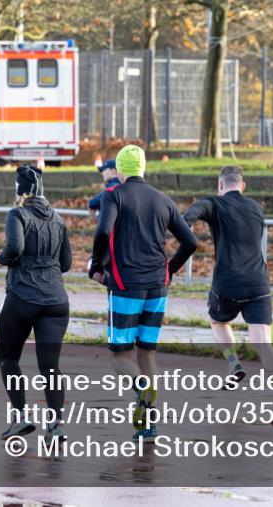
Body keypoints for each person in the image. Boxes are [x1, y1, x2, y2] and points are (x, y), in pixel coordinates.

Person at [89, 144, 198, 441]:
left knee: (119, 356)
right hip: (158, 285)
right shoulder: (163, 199)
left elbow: (103, 231)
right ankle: (147, 426)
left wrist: (96, 265)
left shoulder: (114, 195)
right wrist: (170, 269)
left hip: (126, 284)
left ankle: (142, 391)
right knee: (147, 354)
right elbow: (190, 242)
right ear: (143, 168)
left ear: (119, 170)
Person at [183, 166, 273, 419]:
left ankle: (234, 364)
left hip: (228, 283)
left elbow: (191, 214)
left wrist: (185, 227)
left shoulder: (214, 203)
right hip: (258, 283)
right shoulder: (257, 208)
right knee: (263, 343)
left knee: (217, 322)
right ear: (243, 186)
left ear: (220, 185)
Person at [0, 165, 72, 442]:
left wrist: (2, 258)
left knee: (8, 358)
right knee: (50, 366)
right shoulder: (59, 220)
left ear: (19, 190)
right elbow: (66, 263)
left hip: (22, 296)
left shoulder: (17, 214)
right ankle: (56, 424)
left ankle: (20, 416)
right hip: (57, 300)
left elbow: (15, 248)